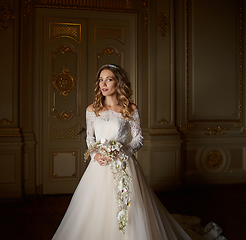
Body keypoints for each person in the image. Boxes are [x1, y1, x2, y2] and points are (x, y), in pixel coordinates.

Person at [52, 64, 225, 240]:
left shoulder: (130, 109)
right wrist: (96, 155)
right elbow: (90, 139)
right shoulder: (92, 109)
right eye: (101, 79)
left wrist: (121, 151)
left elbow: (138, 139)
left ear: (118, 82)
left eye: (108, 79)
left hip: (125, 165)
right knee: (95, 209)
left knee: (132, 209)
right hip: (99, 166)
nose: (103, 83)